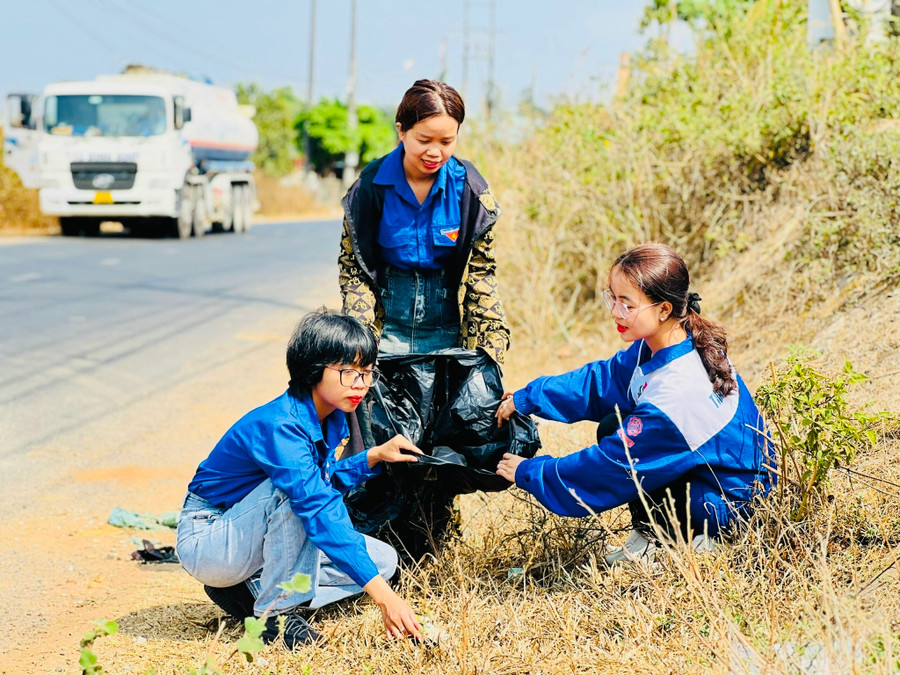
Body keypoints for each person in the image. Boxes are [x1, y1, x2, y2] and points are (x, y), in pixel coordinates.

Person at [495, 242, 773, 563]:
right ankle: (653, 536)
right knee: (615, 424)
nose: (615, 311)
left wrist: (531, 472)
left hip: (732, 503)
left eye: (627, 304)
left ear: (663, 309)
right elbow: (601, 382)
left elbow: (611, 467)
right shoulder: (666, 341)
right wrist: (530, 396)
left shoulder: (677, 393)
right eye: (611, 297)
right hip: (711, 475)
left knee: (629, 446)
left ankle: (709, 544)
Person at [176, 309, 424, 648]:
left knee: (383, 562)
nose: (360, 384)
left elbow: (317, 482)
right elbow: (314, 502)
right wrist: (385, 599)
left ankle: (245, 591)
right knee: (299, 500)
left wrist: (373, 456)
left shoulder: (330, 416)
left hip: (249, 532)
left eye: (367, 373)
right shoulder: (281, 425)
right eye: (347, 372)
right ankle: (275, 616)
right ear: (313, 369)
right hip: (210, 538)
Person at [338, 79, 510, 553]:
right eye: (424, 140)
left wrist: (490, 346)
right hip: (386, 327)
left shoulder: (470, 189)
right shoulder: (370, 188)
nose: (435, 152)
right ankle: (384, 539)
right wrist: (358, 341)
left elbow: (482, 275)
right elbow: (353, 268)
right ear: (401, 131)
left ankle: (437, 534)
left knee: (440, 436)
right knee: (384, 430)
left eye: (447, 141)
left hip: (445, 327)